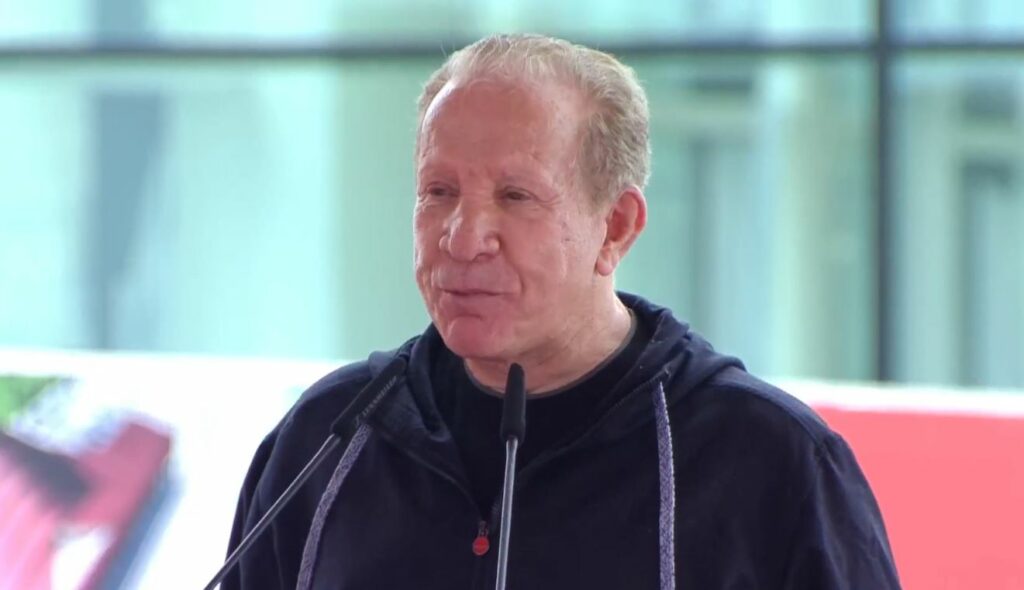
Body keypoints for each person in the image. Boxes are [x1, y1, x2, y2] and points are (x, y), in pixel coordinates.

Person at [224, 33, 901, 589]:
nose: (462, 237)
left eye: (515, 196)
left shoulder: (769, 463)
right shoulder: (325, 440)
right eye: (438, 191)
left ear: (616, 227)